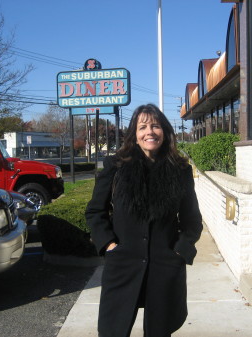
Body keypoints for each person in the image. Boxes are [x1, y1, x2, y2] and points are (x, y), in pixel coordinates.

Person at [85, 103, 203, 337]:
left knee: (159, 331)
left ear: (164, 132)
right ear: (135, 135)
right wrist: (109, 245)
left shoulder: (179, 170)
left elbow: (192, 220)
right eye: (143, 127)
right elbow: (95, 212)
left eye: (155, 126)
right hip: (123, 264)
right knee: (112, 331)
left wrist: (179, 251)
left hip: (164, 267)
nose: (149, 132)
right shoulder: (116, 167)